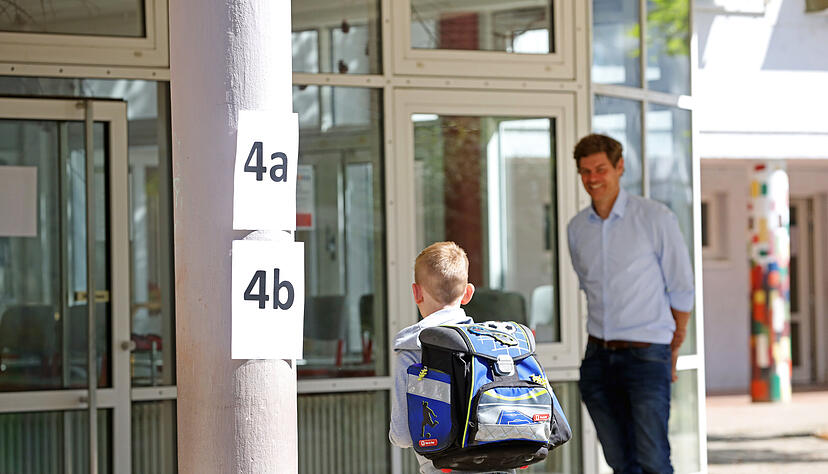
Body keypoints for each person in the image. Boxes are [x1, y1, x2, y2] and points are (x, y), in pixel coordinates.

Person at [567, 134, 694, 474]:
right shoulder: (577, 229)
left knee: (653, 460)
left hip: (646, 356)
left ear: (620, 167)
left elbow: (681, 289)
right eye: (585, 171)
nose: (593, 178)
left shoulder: (655, 218)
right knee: (620, 463)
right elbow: (588, 287)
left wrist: (674, 344)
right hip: (597, 359)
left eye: (600, 169)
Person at [389, 241, 513, 474]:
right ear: (468, 293)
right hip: (500, 468)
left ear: (416, 293)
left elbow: (403, 434)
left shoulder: (412, 348)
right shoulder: (489, 344)